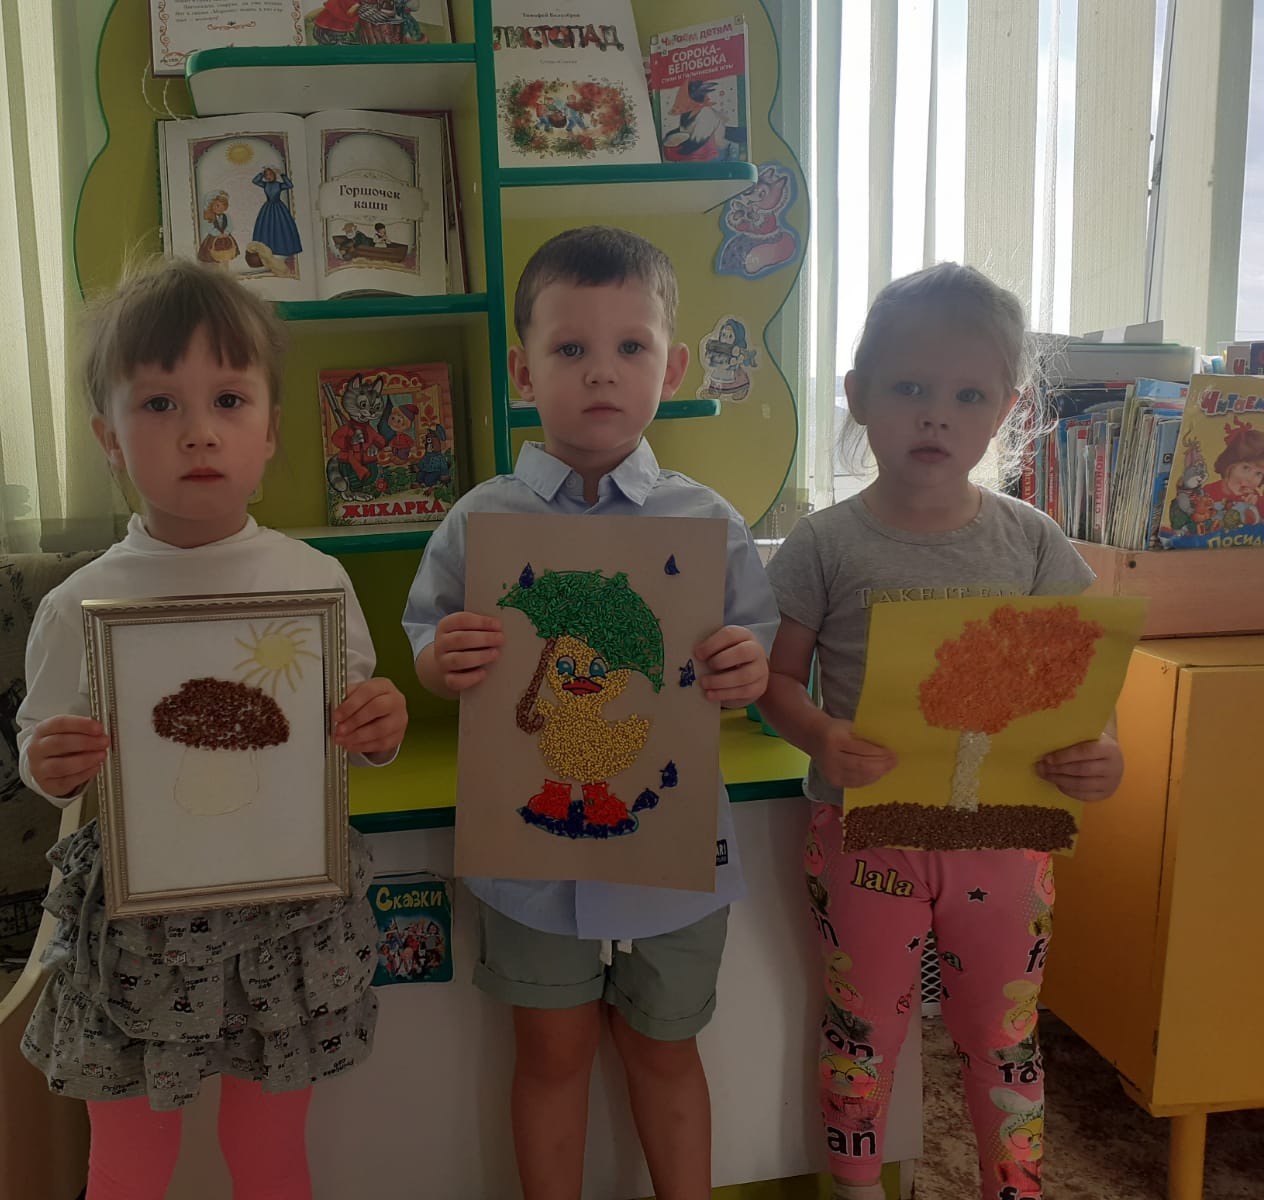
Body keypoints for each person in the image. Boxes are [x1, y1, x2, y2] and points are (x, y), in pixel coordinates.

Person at [16, 257, 408, 1200]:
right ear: (110, 438)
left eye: (229, 400)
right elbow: (40, 745)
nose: (198, 430)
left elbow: (354, 732)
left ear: (270, 430)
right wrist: (49, 761)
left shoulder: (315, 583)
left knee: (268, 1152)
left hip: (284, 913)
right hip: (139, 922)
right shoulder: (80, 605)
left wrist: (379, 725)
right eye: (159, 405)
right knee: (130, 1160)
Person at [402, 225, 777, 1200]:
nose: (601, 372)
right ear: (523, 370)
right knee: (550, 1055)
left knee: (666, 1049)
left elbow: (753, 655)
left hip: (674, 856)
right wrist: (444, 659)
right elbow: (429, 645)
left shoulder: (708, 523)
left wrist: (745, 667)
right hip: (529, 860)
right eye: (571, 348)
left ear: (672, 368)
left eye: (630, 347)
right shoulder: (480, 522)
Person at [755, 262, 1124, 1200]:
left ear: (1005, 410)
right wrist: (820, 735)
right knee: (864, 1028)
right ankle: (857, 1186)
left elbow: (1081, 684)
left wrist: (1102, 751)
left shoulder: (1032, 540)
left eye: (966, 396)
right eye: (909, 389)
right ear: (858, 396)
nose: (936, 416)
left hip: (1004, 841)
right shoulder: (825, 542)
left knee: (1003, 1035)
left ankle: (1015, 1187)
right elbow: (772, 683)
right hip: (866, 835)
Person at [250, 166, 303, 258]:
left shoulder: (279, 185)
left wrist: (282, 175)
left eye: (270, 174)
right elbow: (255, 181)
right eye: (266, 175)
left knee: (281, 227)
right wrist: (261, 173)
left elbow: (290, 185)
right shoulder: (265, 185)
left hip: (279, 208)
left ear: (274, 175)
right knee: (266, 228)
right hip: (267, 209)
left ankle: (281, 249)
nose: (268, 176)